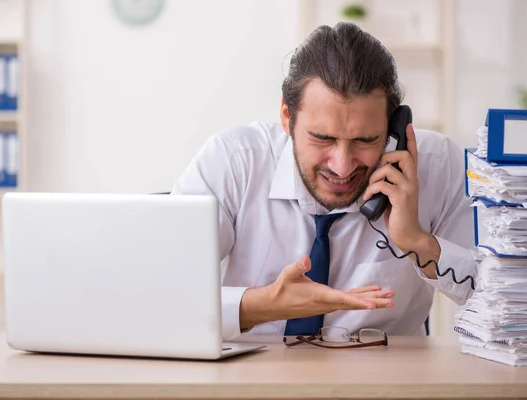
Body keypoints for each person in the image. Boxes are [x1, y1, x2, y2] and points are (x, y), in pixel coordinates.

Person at [170, 22, 477, 341]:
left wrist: (417, 241)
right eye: (322, 138)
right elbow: (159, 292)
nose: (342, 166)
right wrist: (263, 305)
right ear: (287, 118)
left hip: (382, 385)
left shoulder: (436, 165)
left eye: (365, 139)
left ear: (392, 129)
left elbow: (509, 302)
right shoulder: (234, 161)